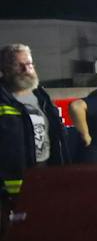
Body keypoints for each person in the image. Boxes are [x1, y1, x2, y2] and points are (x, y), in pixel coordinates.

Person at [0, 44, 68, 202]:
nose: (26, 70)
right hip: (11, 186)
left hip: (46, 173)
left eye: (29, 64)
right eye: (19, 65)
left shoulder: (41, 96)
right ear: (5, 68)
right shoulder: (3, 99)